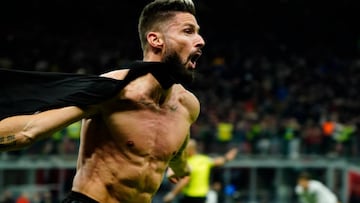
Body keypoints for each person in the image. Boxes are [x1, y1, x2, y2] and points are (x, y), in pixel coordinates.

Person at [0, 0, 205, 202]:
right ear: (155, 40)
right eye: (188, 31)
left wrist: (180, 168)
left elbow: (177, 150)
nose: (201, 40)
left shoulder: (188, 106)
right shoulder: (115, 91)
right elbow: (28, 130)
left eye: (197, 31)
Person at [163, 139, 238, 203]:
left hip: (190, 196)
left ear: (191, 150)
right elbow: (219, 161)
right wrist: (227, 157)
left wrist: (172, 194)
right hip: (202, 197)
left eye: (185, 149)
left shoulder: (188, 163)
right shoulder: (204, 160)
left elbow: (184, 181)